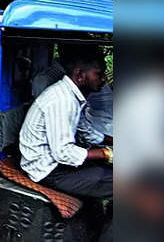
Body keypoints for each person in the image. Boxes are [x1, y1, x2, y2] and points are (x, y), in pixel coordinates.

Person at [19, 51, 113, 200]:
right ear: (80, 75)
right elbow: (63, 152)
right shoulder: (62, 100)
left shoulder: (72, 96)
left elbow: (85, 130)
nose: (104, 79)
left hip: (57, 162)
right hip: (47, 170)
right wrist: (106, 153)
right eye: (99, 74)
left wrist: (112, 143)